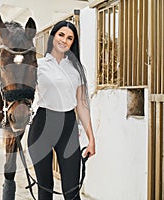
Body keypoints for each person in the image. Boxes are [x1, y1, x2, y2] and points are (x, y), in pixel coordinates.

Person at [27, 20, 96, 200]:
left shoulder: (77, 69)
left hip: (68, 125)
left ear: (73, 43)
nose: (64, 40)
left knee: (72, 190)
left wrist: (91, 139)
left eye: (70, 38)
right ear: (53, 36)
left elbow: (82, 104)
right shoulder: (38, 65)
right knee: (45, 190)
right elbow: (25, 96)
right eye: (61, 35)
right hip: (42, 124)